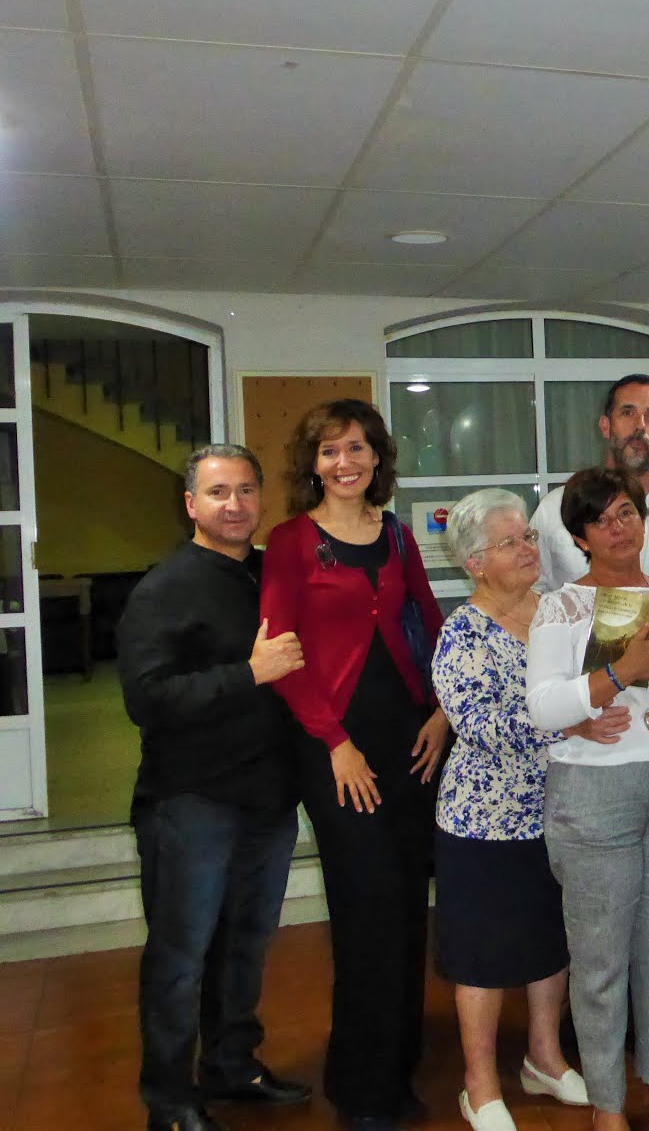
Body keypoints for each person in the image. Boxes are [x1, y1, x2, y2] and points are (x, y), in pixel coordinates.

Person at [260, 398, 447, 1131]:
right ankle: (362, 1087)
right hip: (336, 748)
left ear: (378, 459)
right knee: (366, 912)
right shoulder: (290, 541)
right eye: (331, 450)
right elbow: (279, 657)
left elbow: (429, 625)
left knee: (407, 907)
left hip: (410, 740)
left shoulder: (395, 536)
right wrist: (335, 745)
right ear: (314, 463)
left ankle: (395, 1068)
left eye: (359, 448)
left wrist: (442, 711)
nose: (346, 463)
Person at [119, 445, 312, 1131]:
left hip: (267, 800)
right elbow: (147, 697)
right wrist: (248, 673)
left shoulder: (269, 574)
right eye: (219, 492)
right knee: (180, 956)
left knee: (246, 944)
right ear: (192, 504)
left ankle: (233, 1067)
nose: (235, 504)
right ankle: (170, 1101)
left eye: (247, 490)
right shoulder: (164, 588)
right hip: (191, 803)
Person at [526, 467, 649, 1131]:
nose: (619, 528)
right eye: (602, 520)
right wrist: (612, 679)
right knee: (599, 960)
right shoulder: (560, 605)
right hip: (593, 793)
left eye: (628, 512)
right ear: (580, 536)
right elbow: (541, 705)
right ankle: (607, 1106)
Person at [430, 488, 585, 1131]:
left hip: (560, 812)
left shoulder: (558, 611)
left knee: (551, 941)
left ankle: (545, 1059)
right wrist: (573, 720)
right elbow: (486, 724)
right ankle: (480, 1083)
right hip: (483, 822)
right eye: (510, 542)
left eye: (528, 537)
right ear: (475, 563)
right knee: (484, 955)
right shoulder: (461, 632)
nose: (529, 549)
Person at [532, 374, 649, 592]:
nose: (640, 426)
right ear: (606, 426)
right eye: (627, 413)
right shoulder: (554, 509)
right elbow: (529, 593)